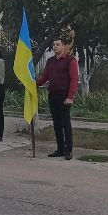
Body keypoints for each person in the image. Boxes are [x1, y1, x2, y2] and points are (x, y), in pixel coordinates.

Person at [36, 27, 79, 159]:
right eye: (54, 45)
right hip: (53, 95)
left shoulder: (70, 60)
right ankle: (60, 149)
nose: (55, 47)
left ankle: (68, 150)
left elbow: (74, 79)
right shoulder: (50, 61)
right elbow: (45, 78)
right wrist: (32, 83)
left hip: (64, 95)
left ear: (64, 46)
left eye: (57, 44)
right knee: (56, 123)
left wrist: (70, 97)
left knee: (65, 123)